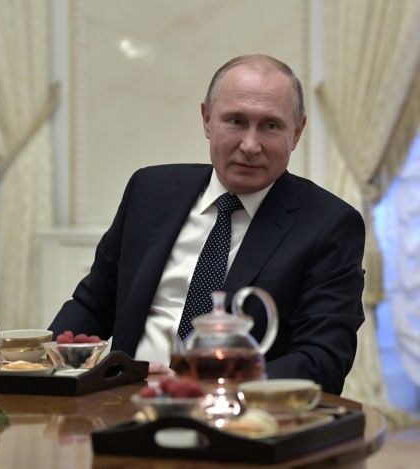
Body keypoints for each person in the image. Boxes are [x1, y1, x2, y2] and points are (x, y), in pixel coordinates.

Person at [49, 54, 365, 395]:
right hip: (123, 402)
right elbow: (92, 307)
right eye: (236, 121)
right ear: (207, 120)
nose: (250, 145)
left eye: (271, 126)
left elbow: (323, 360)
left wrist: (212, 385)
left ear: (297, 132)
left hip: (240, 413)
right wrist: (45, 363)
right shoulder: (149, 192)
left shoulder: (329, 225)